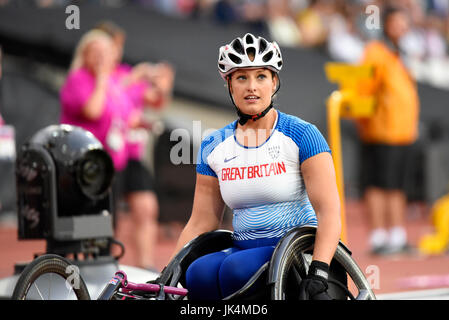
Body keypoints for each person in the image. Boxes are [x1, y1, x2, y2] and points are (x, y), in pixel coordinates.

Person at [169, 33, 341, 300]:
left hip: (294, 250)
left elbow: (328, 210)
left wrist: (319, 270)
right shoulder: (214, 145)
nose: (252, 86)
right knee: (198, 272)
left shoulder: (302, 134)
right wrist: (169, 270)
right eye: (241, 78)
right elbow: (202, 220)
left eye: (261, 76)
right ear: (229, 84)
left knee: (237, 270)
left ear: (274, 82)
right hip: (242, 247)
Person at [60, 29, 167, 270]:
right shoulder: (80, 78)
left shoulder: (112, 83)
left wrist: (142, 123)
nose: (100, 58)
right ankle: (87, 271)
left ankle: (103, 268)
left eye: (105, 53)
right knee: (94, 221)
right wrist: (100, 78)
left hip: (111, 162)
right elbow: (93, 111)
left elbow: (124, 117)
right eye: (95, 52)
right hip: (85, 162)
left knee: (108, 220)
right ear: (84, 54)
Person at [356, 6, 420, 255]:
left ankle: (396, 234)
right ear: (386, 25)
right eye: (396, 23)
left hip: (402, 133)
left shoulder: (400, 54)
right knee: (378, 184)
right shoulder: (376, 52)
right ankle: (378, 236)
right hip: (380, 132)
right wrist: (367, 124)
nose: (401, 28)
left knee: (396, 185)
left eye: (404, 23)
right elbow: (363, 91)